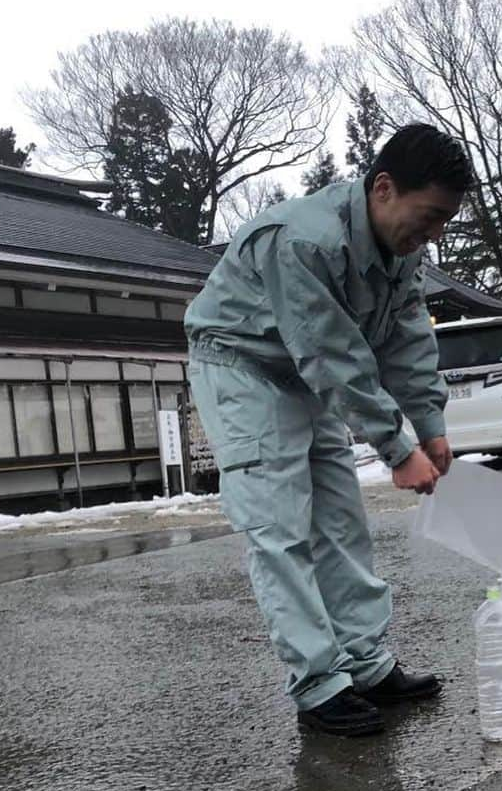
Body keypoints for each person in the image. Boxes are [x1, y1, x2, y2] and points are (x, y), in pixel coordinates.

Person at [185, 124, 474, 736]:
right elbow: (333, 352)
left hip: (304, 372)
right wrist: (397, 447)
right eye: (429, 216)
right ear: (384, 188)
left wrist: (428, 422)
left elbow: (406, 336)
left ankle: (366, 664)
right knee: (280, 527)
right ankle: (318, 684)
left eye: (444, 220)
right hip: (243, 364)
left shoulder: (403, 250)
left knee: (341, 519)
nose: (434, 233)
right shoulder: (303, 241)